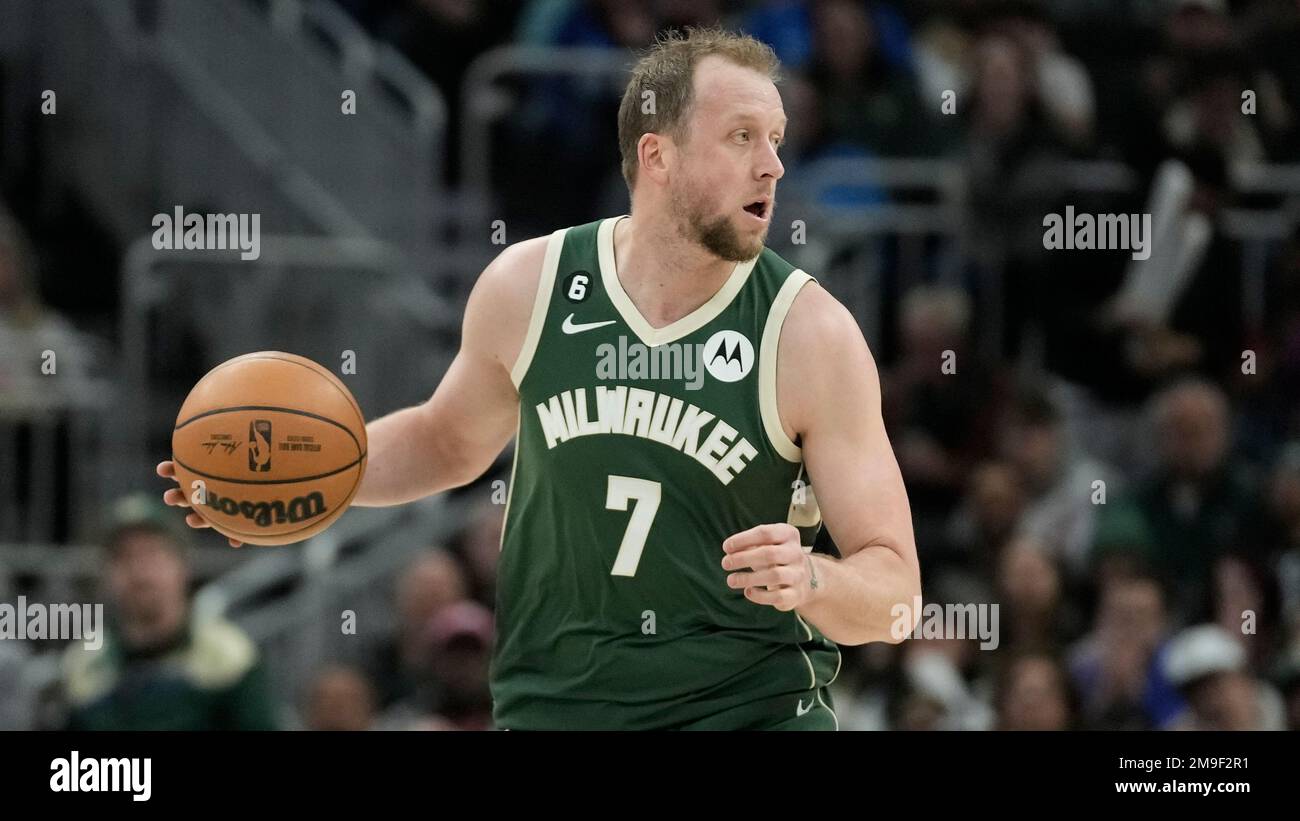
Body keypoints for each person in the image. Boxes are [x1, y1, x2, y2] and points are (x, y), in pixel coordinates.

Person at [160, 27, 920, 731]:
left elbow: (897, 599)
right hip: (555, 710)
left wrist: (812, 581)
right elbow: (447, 440)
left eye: (778, 140)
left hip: (747, 714)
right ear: (658, 157)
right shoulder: (531, 286)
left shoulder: (809, 334)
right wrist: (301, 478)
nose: (774, 165)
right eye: (742, 137)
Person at [60, 495, 279, 730]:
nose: (140, 571)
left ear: (183, 566)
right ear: (105, 574)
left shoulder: (229, 656)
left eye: (153, 554)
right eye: (124, 557)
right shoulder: (84, 666)